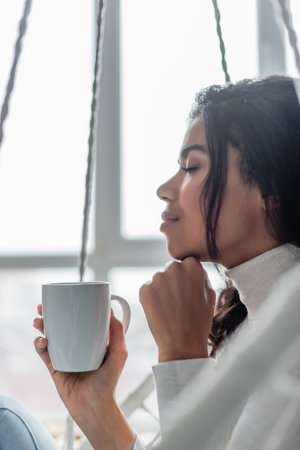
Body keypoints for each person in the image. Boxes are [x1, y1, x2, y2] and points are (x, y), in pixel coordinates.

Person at [2, 74, 298, 449]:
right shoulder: (253, 322)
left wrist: (183, 356)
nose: (164, 189)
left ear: (270, 190)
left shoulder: (287, 342)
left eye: (191, 167)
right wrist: (95, 405)